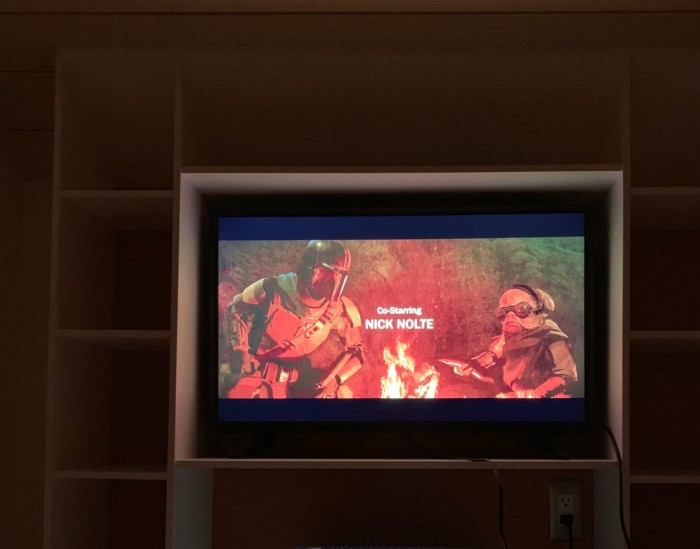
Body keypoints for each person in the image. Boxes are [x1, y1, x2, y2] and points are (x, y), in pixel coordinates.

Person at [220, 240, 364, 399]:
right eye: (327, 272)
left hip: (297, 379)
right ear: (310, 267)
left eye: (339, 275)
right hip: (258, 374)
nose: (334, 282)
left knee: (342, 395)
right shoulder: (272, 290)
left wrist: (333, 381)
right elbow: (235, 309)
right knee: (239, 393)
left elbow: (356, 351)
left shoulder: (339, 309)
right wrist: (241, 352)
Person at [454, 284, 578, 398]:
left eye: (522, 309)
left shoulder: (553, 338)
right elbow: (493, 354)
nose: (510, 316)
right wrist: (473, 364)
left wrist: (537, 394)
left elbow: (564, 376)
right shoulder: (509, 337)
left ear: (536, 310)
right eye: (503, 312)